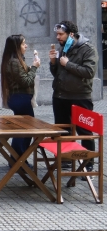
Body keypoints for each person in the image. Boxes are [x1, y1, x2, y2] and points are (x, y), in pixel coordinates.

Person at [49, 21, 98, 172]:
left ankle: (88, 163)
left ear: (71, 34)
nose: (58, 37)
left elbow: (89, 72)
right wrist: (53, 63)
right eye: (57, 34)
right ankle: (65, 160)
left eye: (60, 34)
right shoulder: (63, 48)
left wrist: (67, 64)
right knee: (63, 130)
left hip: (80, 97)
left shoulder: (88, 49)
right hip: (60, 96)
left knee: (85, 131)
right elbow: (58, 74)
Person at [0, 34, 39, 159]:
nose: (26, 46)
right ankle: (19, 159)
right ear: (16, 46)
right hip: (20, 99)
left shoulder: (16, 59)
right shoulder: (14, 62)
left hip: (20, 98)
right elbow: (26, 81)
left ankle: (17, 158)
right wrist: (34, 67)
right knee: (25, 131)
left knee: (23, 129)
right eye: (23, 44)